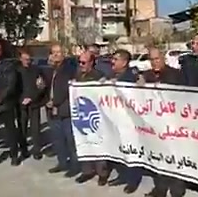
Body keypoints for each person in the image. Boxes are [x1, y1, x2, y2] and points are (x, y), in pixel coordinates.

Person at [140, 48, 186, 197]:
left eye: (157, 59)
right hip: (154, 125)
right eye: (152, 60)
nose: (155, 62)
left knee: (175, 158)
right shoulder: (146, 76)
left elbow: (184, 96)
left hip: (173, 125)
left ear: (164, 59)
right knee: (157, 157)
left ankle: (177, 191)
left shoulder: (176, 74)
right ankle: (160, 188)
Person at [104, 49, 142, 194]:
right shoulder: (112, 75)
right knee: (118, 149)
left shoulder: (132, 76)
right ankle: (122, 175)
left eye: (115, 59)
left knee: (131, 150)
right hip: (116, 119)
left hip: (130, 122)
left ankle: (132, 181)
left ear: (124, 62)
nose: (112, 61)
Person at [73, 51, 109, 186]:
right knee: (83, 143)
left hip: (95, 115)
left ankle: (102, 173)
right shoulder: (78, 75)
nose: (81, 65)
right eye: (79, 62)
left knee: (98, 145)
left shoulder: (98, 76)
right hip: (81, 115)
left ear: (91, 63)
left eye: (83, 62)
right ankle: (87, 171)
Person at [45, 44, 79, 177]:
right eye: (53, 52)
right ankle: (62, 163)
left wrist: (55, 101)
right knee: (57, 139)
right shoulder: (51, 69)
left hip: (65, 109)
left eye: (58, 52)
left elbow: (65, 88)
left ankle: (75, 166)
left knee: (70, 139)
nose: (56, 55)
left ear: (63, 54)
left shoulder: (68, 68)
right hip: (52, 110)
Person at [16, 47, 45, 160]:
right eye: (24, 59)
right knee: (22, 128)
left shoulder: (36, 70)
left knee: (35, 128)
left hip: (34, 103)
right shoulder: (16, 70)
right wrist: (21, 100)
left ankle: (37, 150)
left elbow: (41, 86)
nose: (27, 62)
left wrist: (32, 97)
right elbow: (13, 87)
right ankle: (24, 150)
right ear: (20, 59)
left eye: (28, 59)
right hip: (21, 103)